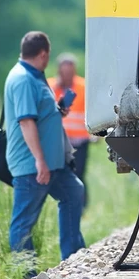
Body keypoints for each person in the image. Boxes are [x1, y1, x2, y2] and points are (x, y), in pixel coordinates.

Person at [4, 32, 85, 263]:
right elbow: (26, 122)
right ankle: (25, 274)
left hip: (53, 163)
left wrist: (56, 111)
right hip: (33, 165)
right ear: (43, 54)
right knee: (23, 223)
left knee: (73, 192)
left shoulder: (36, 76)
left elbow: (37, 113)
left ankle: (73, 256)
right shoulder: (22, 79)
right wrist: (39, 160)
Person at [51, 53, 93, 208]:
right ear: (59, 71)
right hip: (58, 141)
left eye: (70, 72)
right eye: (64, 72)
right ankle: (66, 203)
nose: (67, 76)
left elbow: (92, 113)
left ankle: (80, 206)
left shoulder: (83, 87)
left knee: (79, 174)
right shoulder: (50, 87)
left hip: (80, 142)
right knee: (60, 175)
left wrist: (95, 134)